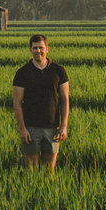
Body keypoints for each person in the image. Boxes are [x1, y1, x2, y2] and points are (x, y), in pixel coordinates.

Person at [12, 33, 68, 173]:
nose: (38, 51)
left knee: (49, 171)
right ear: (30, 50)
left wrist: (63, 126)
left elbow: (64, 100)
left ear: (47, 49)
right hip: (31, 129)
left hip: (52, 128)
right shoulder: (22, 73)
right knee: (31, 170)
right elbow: (17, 102)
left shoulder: (59, 71)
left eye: (41, 48)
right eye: (35, 48)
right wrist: (22, 129)